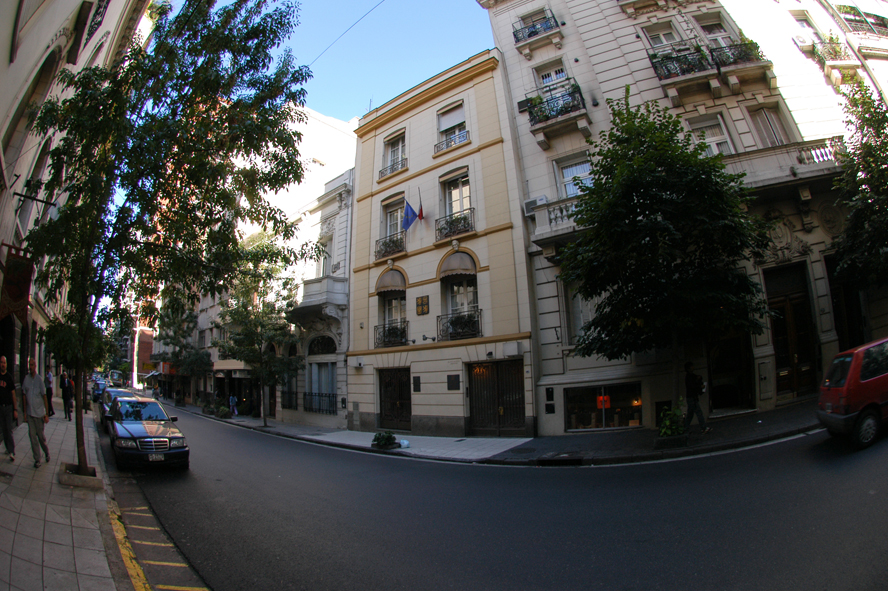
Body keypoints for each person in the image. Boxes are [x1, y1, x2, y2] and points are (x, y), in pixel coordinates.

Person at [22, 358, 50, 468]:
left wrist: (46, 413)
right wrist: (24, 412)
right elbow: (24, 395)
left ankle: (46, 452)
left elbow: (44, 397)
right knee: (32, 436)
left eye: (32, 365)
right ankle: (37, 458)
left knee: (40, 436)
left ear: (35, 366)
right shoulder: (26, 379)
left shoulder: (39, 380)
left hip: (39, 414)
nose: (31, 367)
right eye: (30, 365)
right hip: (30, 413)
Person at [683, 361, 711, 435]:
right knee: (698, 412)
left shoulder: (689, 376)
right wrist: (700, 387)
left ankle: (685, 428)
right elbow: (692, 386)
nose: (693, 367)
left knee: (690, 414)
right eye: (691, 366)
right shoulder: (689, 377)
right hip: (692, 397)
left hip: (691, 397)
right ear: (689, 368)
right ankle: (703, 428)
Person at [0, 356, 18, 462]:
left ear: (6, 364)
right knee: (3, 429)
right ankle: (7, 448)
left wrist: (15, 409)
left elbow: (13, 394)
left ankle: (12, 451)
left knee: (9, 429)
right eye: (1, 362)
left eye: (4, 363)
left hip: (8, 407)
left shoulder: (9, 378)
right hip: (0, 407)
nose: (3, 364)